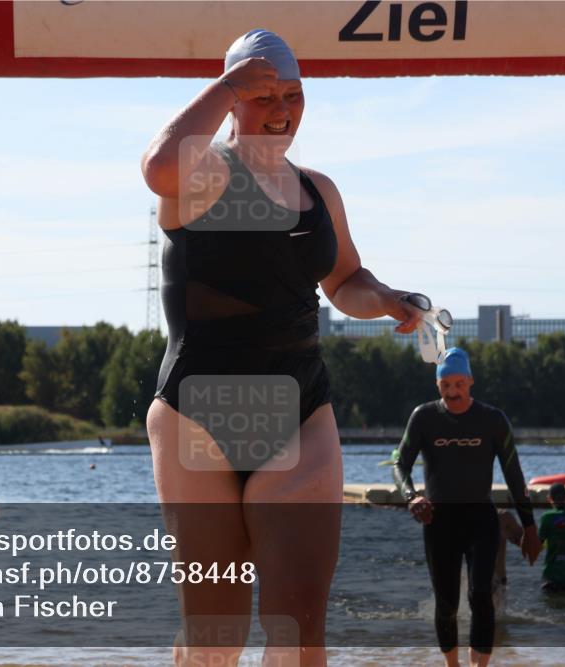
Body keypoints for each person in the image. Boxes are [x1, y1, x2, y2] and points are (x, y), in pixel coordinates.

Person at [141, 28, 423, 667]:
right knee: (215, 632)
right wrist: (224, 86)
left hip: (299, 412)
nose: (281, 109)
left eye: (292, 95)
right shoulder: (204, 173)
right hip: (196, 418)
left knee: (299, 630)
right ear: (233, 101)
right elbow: (158, 168)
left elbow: (346, 278)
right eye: (263, 95)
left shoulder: (318, 190)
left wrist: (387, 299)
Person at [393, 347, 542, 667]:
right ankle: (452, 665)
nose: (453, 392)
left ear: (471, 381)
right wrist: (412, 497)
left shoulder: (492, 420)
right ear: (438, 386)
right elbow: (399, 464)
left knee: (479, 596)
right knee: (446, 603)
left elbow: (515, 476)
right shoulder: (424, 417)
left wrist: (530, 527)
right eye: (446, 385)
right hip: (439, 521)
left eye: (459, 384)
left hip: (480, 520)